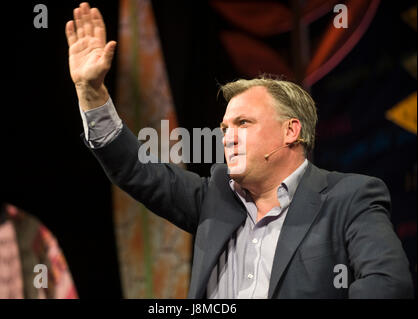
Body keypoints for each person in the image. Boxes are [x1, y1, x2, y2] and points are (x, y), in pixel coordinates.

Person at [65, 2, 414, 298]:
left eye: (243, 124)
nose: (227, 137)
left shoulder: (349, 198)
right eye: (224, 128)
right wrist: (91, 93)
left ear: (290, 131)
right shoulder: (213, 197)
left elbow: (388, 284)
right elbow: (136, 169)